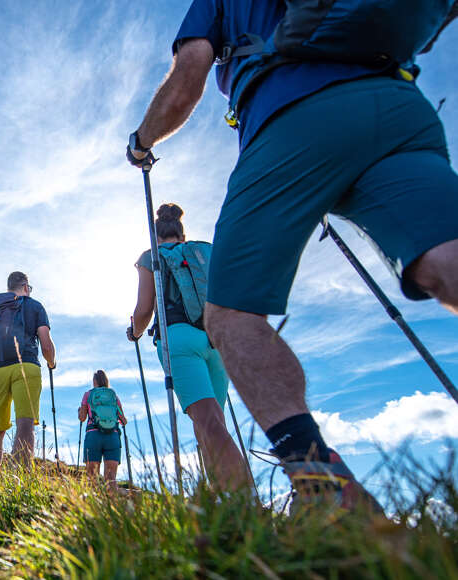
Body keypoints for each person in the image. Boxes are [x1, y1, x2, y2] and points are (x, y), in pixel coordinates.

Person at [126, 2, 458, 513]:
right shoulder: (203, 250)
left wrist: (141, 143)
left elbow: (190, 71)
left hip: (289, 114)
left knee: (232, 316)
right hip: (396, 103)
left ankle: (326, 492)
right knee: (444, 258)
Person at [127, 203, 251, 492]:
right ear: (182, 234)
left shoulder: (151, 256)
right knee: (211, 424)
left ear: (156, 236)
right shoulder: (204, 252)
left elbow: (145, 308)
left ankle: (245, 499)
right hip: (215, 341)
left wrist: (134, 332)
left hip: (178, 338)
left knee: (208, 424)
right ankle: (223, 498)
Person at [0, 271, 56, 473]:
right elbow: (46, 345)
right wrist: (52, 363)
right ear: (26, 287)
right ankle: (20, 480)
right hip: (27, 366)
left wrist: (1, 358)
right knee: (25, 424)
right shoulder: (34, 306)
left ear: (8, 288)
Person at [78, 370, 127, 490]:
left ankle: (93, 506)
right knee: (111, 480)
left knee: (92, 478)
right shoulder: (114, 396)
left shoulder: (88, 394)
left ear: (94, 381)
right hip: (112, 436)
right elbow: (123, 420)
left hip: (93, 435)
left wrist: (80, 411)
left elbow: (82, 418)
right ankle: (110, 507)